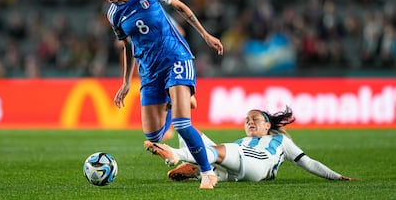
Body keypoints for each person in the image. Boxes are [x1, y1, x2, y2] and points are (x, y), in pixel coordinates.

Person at [93, 0, 224, 189]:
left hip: (176, 58)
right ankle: (175, 101)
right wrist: (125, 82)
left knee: (182, 124)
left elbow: (181, 7)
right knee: (153, 137)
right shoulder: (113, 15)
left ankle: (208, 173)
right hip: (150, 71)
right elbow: (127, 47)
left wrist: (206, 35)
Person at [144, 106, 356, 182]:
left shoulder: (280, 140)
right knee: (190, 130)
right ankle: (200, 171)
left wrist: (335, 176)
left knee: (219, 151)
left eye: (255, 119)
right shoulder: (243, 140)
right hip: (237, 169)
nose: (250, 122)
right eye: (247, 120)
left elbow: (307, 162)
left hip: (258, 164)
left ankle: (177, 155)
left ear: (267, 125)